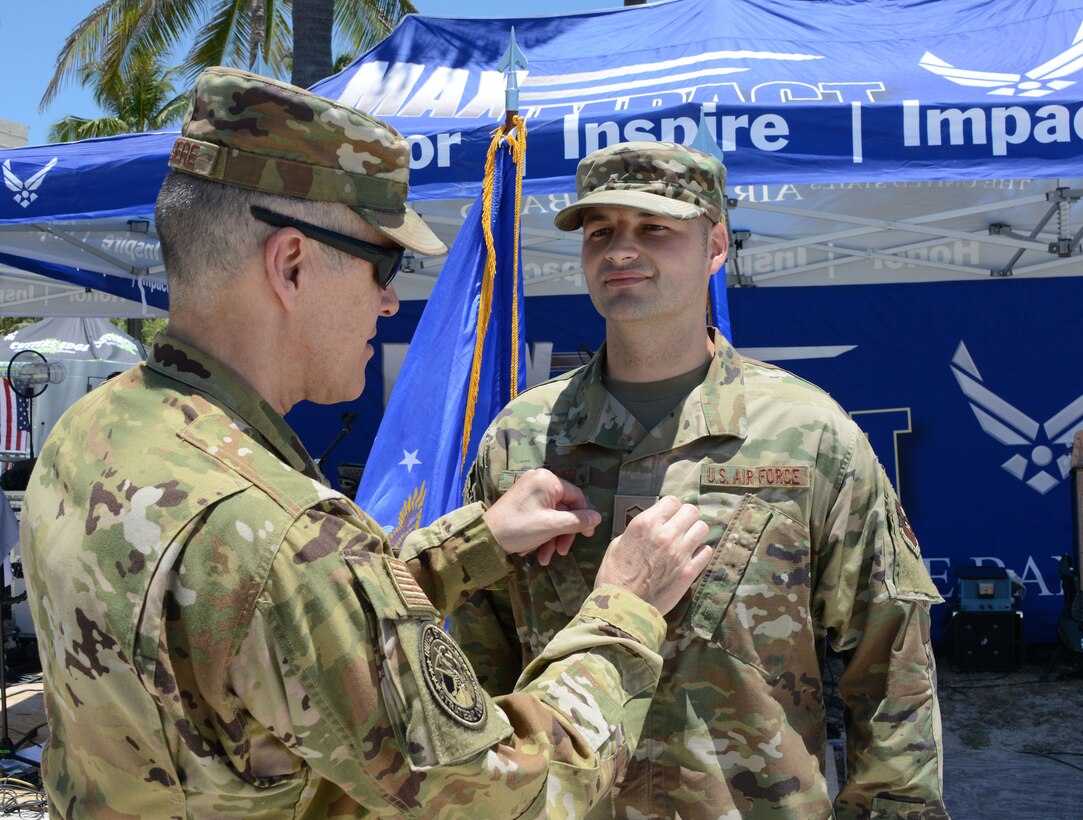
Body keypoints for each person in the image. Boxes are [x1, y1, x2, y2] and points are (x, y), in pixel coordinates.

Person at [19, 71, 715, 818]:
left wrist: (471, 545)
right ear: (291, 264)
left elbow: (263, 622)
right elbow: (510, 797)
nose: (389, 300)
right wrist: (623, 611)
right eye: (385, 266)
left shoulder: (92, 429)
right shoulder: (282, 532)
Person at [444, 141, 949, 819]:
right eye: (601, 232)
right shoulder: (521, 440)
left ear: (715, 246)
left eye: (654, 229)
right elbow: (479, 666)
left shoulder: (807, 434)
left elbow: (889, 666)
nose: (620, 250)